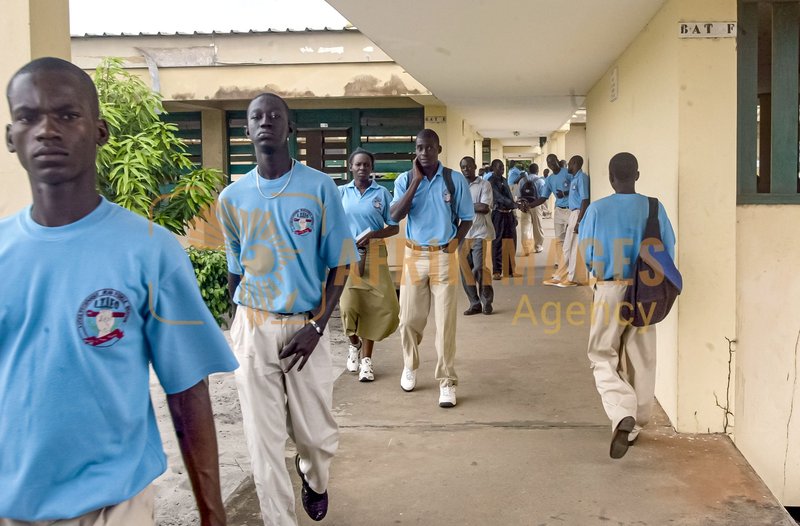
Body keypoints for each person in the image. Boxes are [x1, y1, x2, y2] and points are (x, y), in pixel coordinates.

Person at [0, 57, 238, 525]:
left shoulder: (149, 251)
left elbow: (187, 388)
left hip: (116, 507)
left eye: (67, 114)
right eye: (28, 117)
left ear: (100, 131)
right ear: (11, 137)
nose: (47, 130)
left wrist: (213, 515)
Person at [216, 92, 355, 524]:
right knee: (263, 441)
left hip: (304, 327)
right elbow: (234, 269)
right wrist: (236, 323)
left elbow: (342, 262)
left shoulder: (319, 187)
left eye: (275, 116)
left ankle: (314, 477)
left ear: (289, 128)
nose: (266, 121)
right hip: (253, 326)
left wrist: (317, 325)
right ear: (246, 130)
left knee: (315, 438)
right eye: (256, 116)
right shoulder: (232, 198)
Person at [578, 152, 676, 460]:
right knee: (642, 358)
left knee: (602, 355)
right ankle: (635, 424)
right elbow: (668, 251)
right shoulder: (654, 208)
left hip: (609, 287)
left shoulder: (596, 209)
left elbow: (587, 254)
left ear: (610, 178)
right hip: (645, 292)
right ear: (637, 174)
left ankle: (622, 412)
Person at [390, 129, 473, 408]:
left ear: (439, 148)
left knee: (446, 322)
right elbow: (395, 215)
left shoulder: (453, 179)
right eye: (419, 147)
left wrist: (455, 243)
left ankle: (447, 381)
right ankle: (410, 365)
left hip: (443, 256)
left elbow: (467, 218)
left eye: (429, 148)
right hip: (414, 255)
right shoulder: (404, 180)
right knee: (409, 318)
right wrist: (415, 182)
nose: (424, 153)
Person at [339, 148, 400, 382]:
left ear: (371, 168)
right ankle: (354, 344)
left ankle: (367, 361)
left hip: (375, 252)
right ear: (350, 167)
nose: (362, 168)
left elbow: (393, 226)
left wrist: (375, 233)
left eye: (366, 164)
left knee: (379, 305)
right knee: (347, 305)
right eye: (358, 164)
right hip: (347, 252)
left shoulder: (381, 193)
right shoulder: (340, 193)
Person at [523, 154, 572, 277]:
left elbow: (577, 188)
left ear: (557, 160)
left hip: (571, 210)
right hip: (559, 210)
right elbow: (543, 197)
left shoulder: (567, 173)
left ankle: (571, 265)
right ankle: (562, 266)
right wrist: (529, 206)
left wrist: (565, 193)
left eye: (552, 161)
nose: (551, 164)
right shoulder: (549, 179)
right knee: (559, 239)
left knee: (571, 238)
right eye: (548, 163)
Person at [544, 155, 590, 287]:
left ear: (575, 163)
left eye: (569, 164)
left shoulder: (581, 178)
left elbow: (585, 200)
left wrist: (579, 221)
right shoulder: (575, 178)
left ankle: (572, 278)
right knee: (567, 247)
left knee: (573, 247)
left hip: (577, 214)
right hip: (573, 214)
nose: (567, 166)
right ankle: (561, 275)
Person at [459, 156, 495, 315]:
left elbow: (484, 207)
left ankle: (487, 301)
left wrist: (462, 206)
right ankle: (474, 303)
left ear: (475, 166)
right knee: (466, 269)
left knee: (479, 267)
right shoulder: (458, 185)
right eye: (463, 167)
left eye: (468, 166)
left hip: (479, 232)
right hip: (462, 233)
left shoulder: (484, 184)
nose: (466, 169)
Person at [486, 158, 518, 279]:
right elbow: (499, 198)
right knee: (497, 243)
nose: (502, 169)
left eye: (503, 167)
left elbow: (509, 197)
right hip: (498, 214)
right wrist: (515, 205)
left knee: (511, 241)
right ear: (493, 168)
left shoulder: (504, 180)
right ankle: (497, 271)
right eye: (499, 167)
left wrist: (514, 213)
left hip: (509, 214)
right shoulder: (491, 181)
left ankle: (509, 269)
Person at [516, 162, 545, 254]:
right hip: (536, 205)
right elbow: (543, 196)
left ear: (528, 171)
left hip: (525, 205)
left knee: (525, 227)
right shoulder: (540, 181)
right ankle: (538, 246)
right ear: (537, 171)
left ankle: (526, 248)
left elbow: (518, 195)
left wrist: (521, 204)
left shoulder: (522, 181)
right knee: (538, 227)